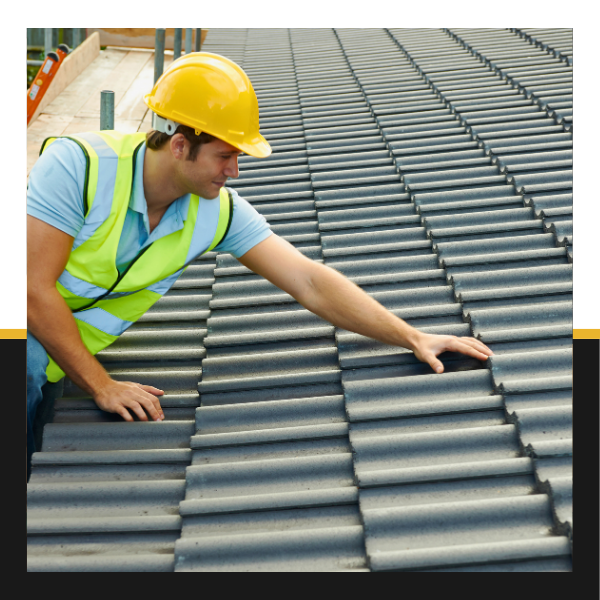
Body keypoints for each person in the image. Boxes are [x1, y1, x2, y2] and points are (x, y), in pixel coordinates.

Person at [27, 52, 492, 478]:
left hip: (57, 360)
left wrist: (412, 336)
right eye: (225, 156)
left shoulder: (215, 210)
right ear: (179, 146)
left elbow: (308, 279)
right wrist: (101, 384)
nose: (234, 172)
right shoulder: (79, 167)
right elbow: (29, 288)